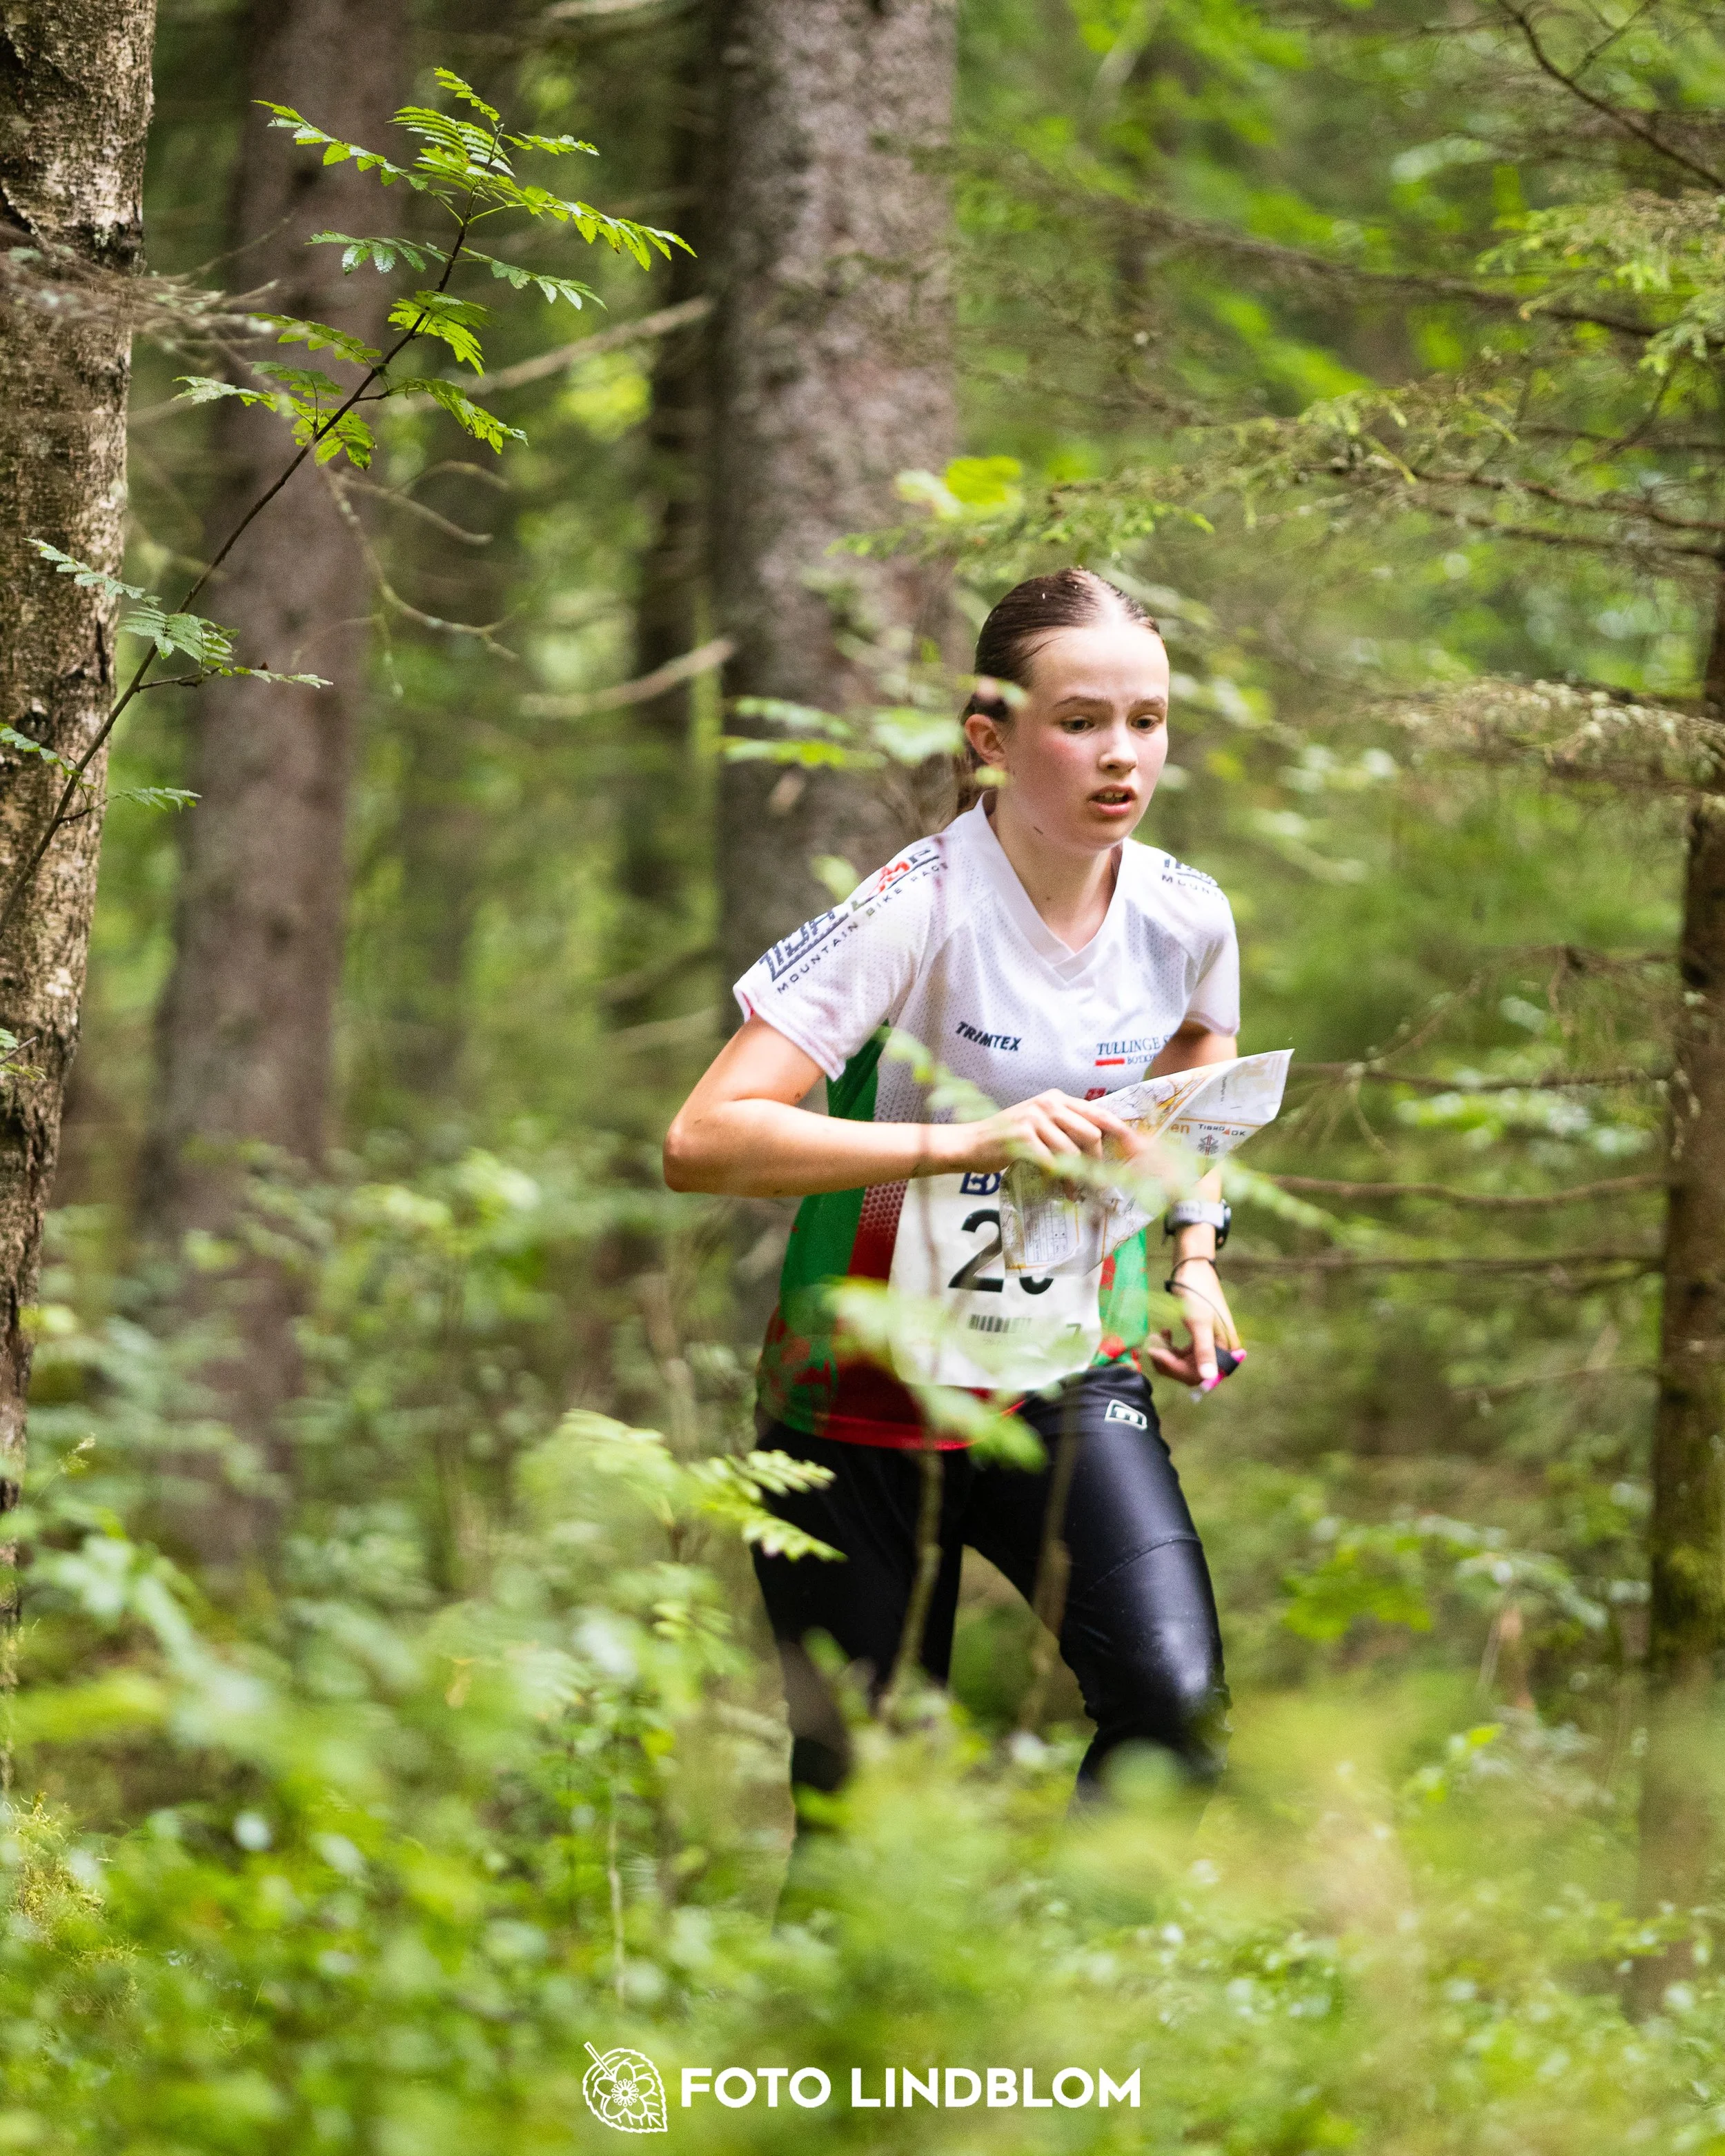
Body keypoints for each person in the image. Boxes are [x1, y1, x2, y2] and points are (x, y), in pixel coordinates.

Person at [664, 568, 1243, 1806]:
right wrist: (962, 1146)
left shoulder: (1185, 915)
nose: (1122, 757)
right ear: (992, 739)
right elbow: (704, 1139)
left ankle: (1059, 1995)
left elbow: (1205, 1058)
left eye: (1148, 722)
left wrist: (1193, 1248)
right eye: (1080, 721)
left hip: (1067, 1374)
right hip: (860, 1398)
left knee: (1176, 1707)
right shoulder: (915, 909)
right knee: (866, 1805)